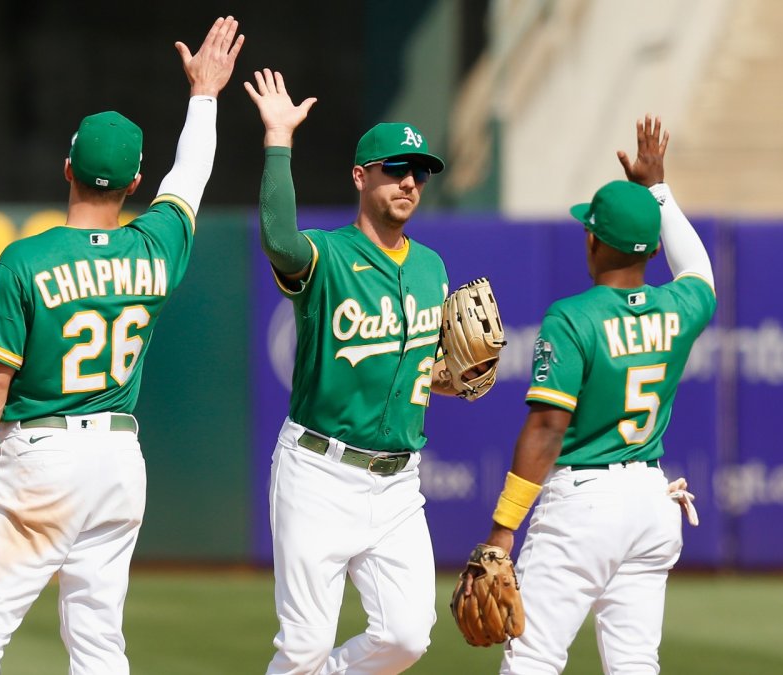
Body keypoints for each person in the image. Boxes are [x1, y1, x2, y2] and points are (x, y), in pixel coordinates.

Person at [0, 16, 244, 675]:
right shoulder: (158, 244)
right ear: (132, 184)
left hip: (42, 455)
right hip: (120, 460)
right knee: (98, 644)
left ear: (67, 167)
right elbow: (191, 174)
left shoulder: (25, 260)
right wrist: (205, 94)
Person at [245, 69, 463, 674]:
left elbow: (426, 368)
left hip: (398, 483)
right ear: (360, 176)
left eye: (419, 170)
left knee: (406, 637)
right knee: (305, 645)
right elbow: (279, 240)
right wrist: (279, 139)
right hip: (319, 470)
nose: (410, 181)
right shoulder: (328, 255)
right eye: (395, 167)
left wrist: (455, 376)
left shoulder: (432, 267)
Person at [483, 116, 715, 674]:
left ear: (593, 239)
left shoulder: (572, 317)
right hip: (653, 504)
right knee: (635, 663)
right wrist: (658, 189)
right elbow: (699, 268)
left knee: (532, 659)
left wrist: (502, 530)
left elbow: (546, 429)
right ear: (652, 249)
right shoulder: (679, 308)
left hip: (585, 504)